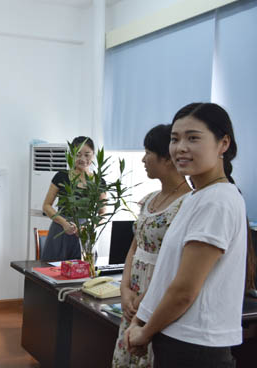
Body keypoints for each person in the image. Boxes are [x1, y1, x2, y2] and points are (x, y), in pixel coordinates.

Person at [125, 103, 247, 367]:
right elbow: (166, 275)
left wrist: (145, 332)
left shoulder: (218, 200)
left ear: (223, 144)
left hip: (195, 346)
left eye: (193, 138)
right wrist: (139, 320)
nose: (180, 147)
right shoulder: (196, 197)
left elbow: (184, 290)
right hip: (175, 336)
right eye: (175, 139)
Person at [112, 124, 191, 368]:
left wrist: (147, 299)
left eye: (148, 152)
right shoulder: (149, 200)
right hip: (134, 296)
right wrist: (125, 289)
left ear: (167, 158)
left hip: (159, 297)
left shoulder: (188, 204)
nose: (143, 159)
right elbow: (134, 249)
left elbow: (180, 264)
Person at [41, 136, 106, 261]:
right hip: (60, 229)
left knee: (84, 269)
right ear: (72, 155)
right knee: (53, 269)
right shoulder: (61, 176)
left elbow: (103, 213)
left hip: (84, 234)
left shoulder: (99, 181)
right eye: (78, 154)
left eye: (87, 154)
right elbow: (46, 206)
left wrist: (90, 228)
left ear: (93, 155)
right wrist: (64, 223)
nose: (82, 159)